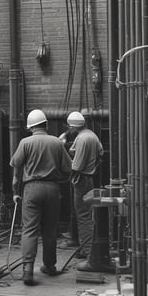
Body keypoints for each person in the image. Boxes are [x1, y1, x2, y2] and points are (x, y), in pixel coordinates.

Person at [10, 109, 72, 285]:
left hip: (32, 188)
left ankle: (28, 269)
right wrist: (56, 180)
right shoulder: (56, 143)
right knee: (50, 230)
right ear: (45, 125)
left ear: (30, 127)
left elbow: (16, 174)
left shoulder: (25, 142)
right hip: (52, 189)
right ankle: (50, 266)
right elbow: (68, 170)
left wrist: (16, 192)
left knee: (29, 229)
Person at [66, 111, 103, 270]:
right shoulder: (92, 135)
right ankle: (83, 246)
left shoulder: (81, 139)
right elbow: (101, 152)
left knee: (83, 216)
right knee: (84, 213)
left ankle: (89, 252)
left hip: (82, 179)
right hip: (90, 178)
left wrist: (70, 172)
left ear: (72, 127)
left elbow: (77, 166)